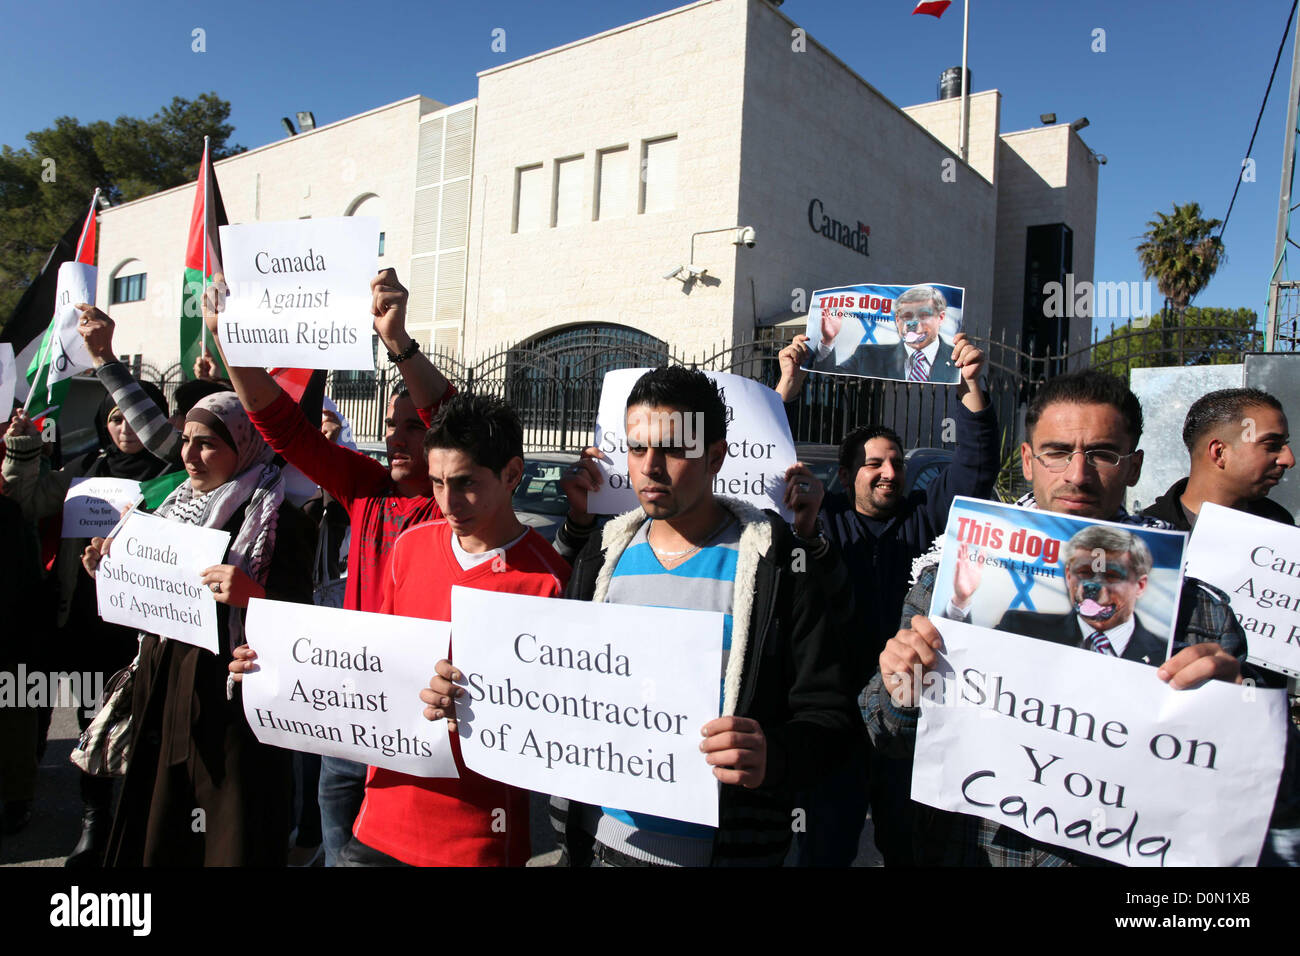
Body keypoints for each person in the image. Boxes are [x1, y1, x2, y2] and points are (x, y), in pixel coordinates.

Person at [863, 369, 1263, 866]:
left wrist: (1238, 717)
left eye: (1101, 454)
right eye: (1057, 452)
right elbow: (886, 733)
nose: (1077, 474)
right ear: (1029, 462)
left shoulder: (1202, 615)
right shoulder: (955, 582)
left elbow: (1242, 798)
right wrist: (900, 686)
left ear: (1134, 466)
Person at [524, 365, 858, 866]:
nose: (652, 466)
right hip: (598, 845)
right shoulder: (600, 555)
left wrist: (774, 754)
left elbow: (830, 715)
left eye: (674, 448)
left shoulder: (777, 565)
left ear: (715, 456)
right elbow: (552, 679)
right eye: (637, 448)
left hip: (729, 852)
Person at [239, 394, 573, 866]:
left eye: (466, 484)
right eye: (437, 483)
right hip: (378, 824)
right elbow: (371, 661)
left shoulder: (549, 580)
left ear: (512, 474)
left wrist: (490, 708)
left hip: (476, 840)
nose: (449, 502)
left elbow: (559, 722)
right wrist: (273, 661)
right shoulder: (410, 548)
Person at [202, 268, 454, 866]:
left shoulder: (455, 508)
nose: (396, 437)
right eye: (389, 426)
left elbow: (452, 416)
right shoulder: (365, 490)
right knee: (342, 855)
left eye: (411, 428)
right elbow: (282, 427)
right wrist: (230, 340)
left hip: (421, 718)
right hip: (348, 724)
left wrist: (398, 342)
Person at [776, 328, 998, 865]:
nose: (890, 472)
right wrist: (786, 386)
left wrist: (971, 387)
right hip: (833, 721)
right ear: (849, 473)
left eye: (896, 462)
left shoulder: (926, 515)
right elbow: (763, 466)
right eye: (874, 464)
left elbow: (975, 469)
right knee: (823, 850)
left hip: (909, 719)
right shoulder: (822, 517)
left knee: (910, 848)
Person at [80, 392, 315, 865]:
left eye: (206, 444)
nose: (189, 455)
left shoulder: (279, 521)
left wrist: (255, 596)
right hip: (165, 684)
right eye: (186, 441)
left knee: (227, 826)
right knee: (162, 817)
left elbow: (308, 624)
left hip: (231, 698)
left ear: (244, 446)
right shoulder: (168, 509)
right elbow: (146, 598)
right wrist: (108, 569)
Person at [3, 381, 176, 866]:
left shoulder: (181, 479)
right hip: (88, 629)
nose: (125, 428)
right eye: (116, 418)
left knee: (151, 732)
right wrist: (21, 448)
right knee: (91, 728)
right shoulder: (85, 472)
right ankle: (94, 822)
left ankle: (143, 823)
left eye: (135, 417)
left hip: (147, 630)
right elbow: (25, 499)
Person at [984, 526, 1168, 663]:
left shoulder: (1166, 655)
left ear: (1140, 586)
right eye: (1084, 573)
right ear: (1068, 575)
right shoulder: (1020, 628)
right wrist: (961, 602)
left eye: (1111, 576)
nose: (1092, 585)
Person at [1144, 387, 1295, 530]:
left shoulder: (1281, 527)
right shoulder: (1146, 536)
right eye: (1272, 445)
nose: (1289, 460)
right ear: (1219, 452)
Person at [809, 286, 960, 383]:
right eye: (906, 316)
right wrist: (828, 340)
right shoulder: (868, 355)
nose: (913, 324)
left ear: (940, 317)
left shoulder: (957, 361)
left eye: (923, 315)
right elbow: (829, 378)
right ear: (897, 320)